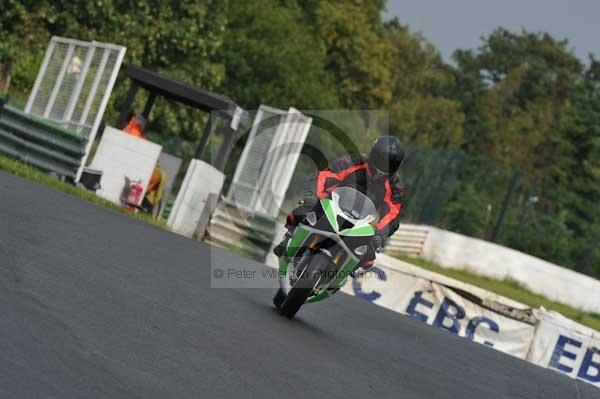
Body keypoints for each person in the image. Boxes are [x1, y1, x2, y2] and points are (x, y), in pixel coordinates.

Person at [273, 135, 406, 269]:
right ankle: (288, 239)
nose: (382, 168)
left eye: (390, 164)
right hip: (332, 207)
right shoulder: (354, 161)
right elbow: (325, 175)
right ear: (373, 154)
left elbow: (393, 213)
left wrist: (380, 236)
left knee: (368, 256)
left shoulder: (395, 185)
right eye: (381, 160)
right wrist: (313, 195)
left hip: (361, 223)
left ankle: (345, 272)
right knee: (304, 210)